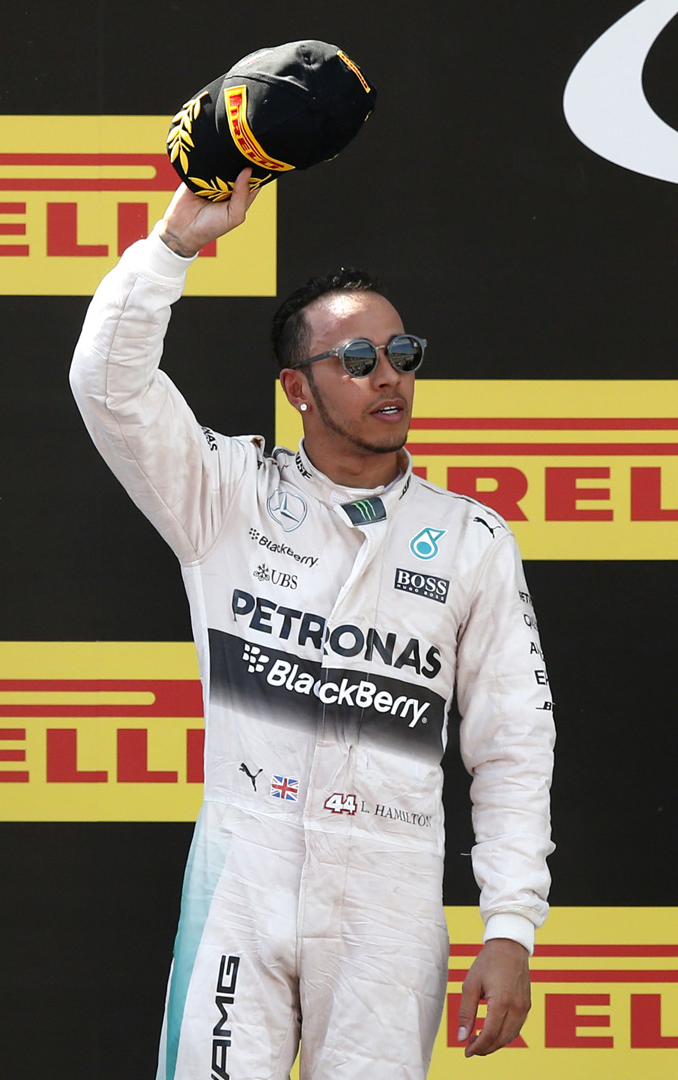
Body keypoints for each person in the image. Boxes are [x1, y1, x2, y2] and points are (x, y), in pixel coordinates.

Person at [70, 168, 554, 1080]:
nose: (390, 377)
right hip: (239, 875)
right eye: (358, 359)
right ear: (296, 386)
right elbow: (107, 384)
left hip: (390, 894)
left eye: (403, 353)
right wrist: (177, 239)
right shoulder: (224, 493)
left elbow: (514, 747)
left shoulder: (472, 540)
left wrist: (511, 927)